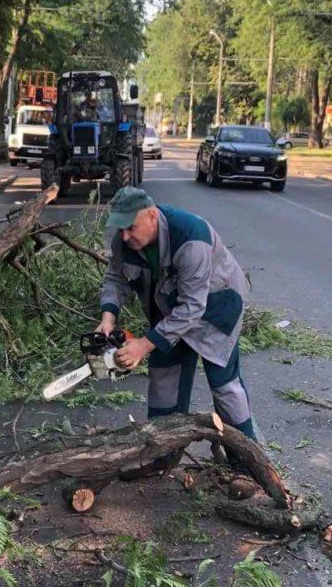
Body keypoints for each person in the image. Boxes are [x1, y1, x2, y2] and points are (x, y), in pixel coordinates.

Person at [97, 186, 256, 440]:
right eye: (120, 229)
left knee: (224, 385)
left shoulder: (191, 237)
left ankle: (248, 458)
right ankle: (162, 452)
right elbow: (115, 278)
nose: (125, 236)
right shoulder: (124, 240)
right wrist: (108, 317)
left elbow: (193, 306)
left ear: (152, 215)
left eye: (131, 227)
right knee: (164, 381)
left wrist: (144, 345)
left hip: (215, 308)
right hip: (169, 310)